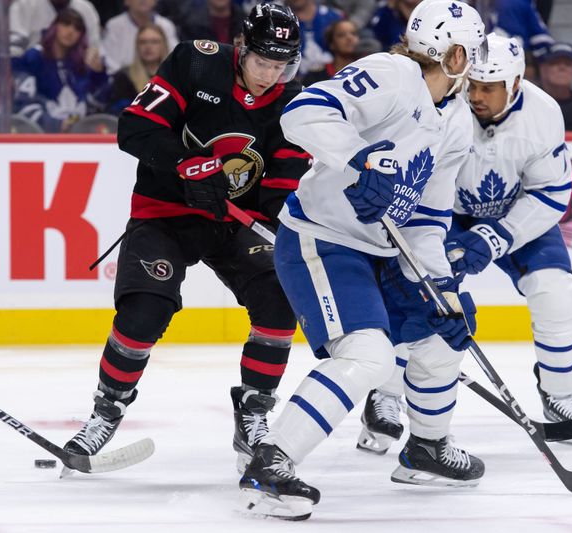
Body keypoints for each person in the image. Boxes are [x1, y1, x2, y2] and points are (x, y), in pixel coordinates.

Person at [238, 0, 487, 520]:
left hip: (382, 251)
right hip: (322, 239)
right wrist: (361, 157)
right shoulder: (391, 73)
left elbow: (428, 215)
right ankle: (271, 461)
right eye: (475, 48)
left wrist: (441, 289)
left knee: (442, 330)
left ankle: (426, 449)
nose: (479, 59)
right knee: (368, 355)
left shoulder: (458, 119)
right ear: (456, 52)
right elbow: (302, 111)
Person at [62, 4, 311, 476]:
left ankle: (254, 413)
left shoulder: (290, 98)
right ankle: (106, 410)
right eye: (262, 62)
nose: (270, 75)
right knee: (144, 311)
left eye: (281, 65)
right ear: (241, 49)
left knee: (279, 297)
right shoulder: (194, 62)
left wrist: (276, 222)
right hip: (167, 213)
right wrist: (183, 165)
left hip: (236, 221)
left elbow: (286, 173)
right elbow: (133, 127)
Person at [360, 34, 572, 454]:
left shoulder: (543, 112)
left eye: (488, 88)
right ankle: (386, 396)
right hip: (445, 215)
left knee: (557, 293)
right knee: (420, 300)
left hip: (517, 216)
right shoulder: (442, 106)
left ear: (515, 82)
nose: (475, 95)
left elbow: (550, 192)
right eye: (472, 83)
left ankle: (560, 395)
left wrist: (500, 235)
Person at [11, 8, 109, 132]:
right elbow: (23, 101)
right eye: (66, 24)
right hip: (42, 135)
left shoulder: (83, 62)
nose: (70, 31)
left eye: (77, 28)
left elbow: (99, 104)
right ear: (54, 26)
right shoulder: (34, 57)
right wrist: (54, 124)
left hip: (82, 133)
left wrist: (99, 74)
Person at [101, 0, 179, 75]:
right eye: (143, 42)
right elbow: (110, 62)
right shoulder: (114, 26)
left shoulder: (166, 25)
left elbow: (175, 59)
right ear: (126, 1)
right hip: (125, 81)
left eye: (154, 41)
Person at [107, 24, 169, 114]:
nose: (148, 46)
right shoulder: (124, 76)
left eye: (154, 42)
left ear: (163, 45)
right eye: (143, 42)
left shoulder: (177, 76)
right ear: (137, 46)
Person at [301, 19, 359, 86]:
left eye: (353, 33)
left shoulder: (368, 68)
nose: (349, 38)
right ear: (332, 44)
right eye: (341, 35)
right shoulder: (315, 77)